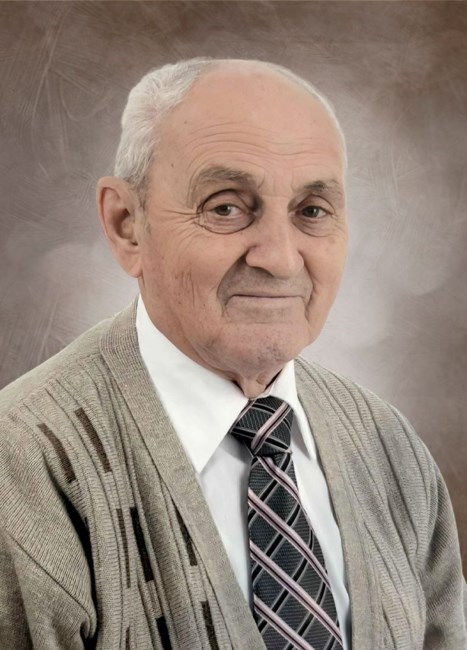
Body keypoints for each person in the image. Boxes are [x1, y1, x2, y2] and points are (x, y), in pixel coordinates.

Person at [0, 57, 465, 650]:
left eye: (312, 211)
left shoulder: (392, 449)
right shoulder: (24, 469)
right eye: (226, 207)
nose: (280, 257)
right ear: (126, 225)